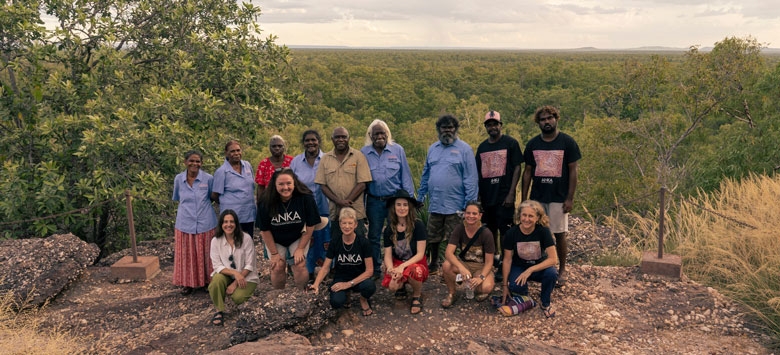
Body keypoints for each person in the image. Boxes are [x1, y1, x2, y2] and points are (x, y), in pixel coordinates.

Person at [521, 105, 581, 287]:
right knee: (536, 233)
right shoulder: (533, 144)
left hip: (558, 197)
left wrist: (569, 198)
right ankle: (537, 268)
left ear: (556, 119)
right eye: (542, 119)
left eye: (549, 118)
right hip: (538, 197)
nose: (546, 122)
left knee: (559, 234)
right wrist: (525, 200)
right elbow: (528, 172)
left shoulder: (567, 142)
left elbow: (573, 171)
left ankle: (562, 270)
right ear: (538, 123)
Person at [417, 114, 478, 274]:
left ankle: (453, 267)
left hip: (456, 204)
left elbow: (471, 178)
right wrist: (420, 196)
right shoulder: (432, 149)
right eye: (444, 128)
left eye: (450, 128)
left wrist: (469, 205)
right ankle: (434, 263)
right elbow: (425, 174)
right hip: (436, 202)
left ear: (456, 129)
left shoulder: (465, 149)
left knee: (455, 238)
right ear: (438, 130)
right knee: (433, 236)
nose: (447, 131)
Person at [360, 119, 415, 279]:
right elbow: (361, 180)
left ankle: (401, 266)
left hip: (394, 201)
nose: (379, 136)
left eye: (382, 133)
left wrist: (409, 201)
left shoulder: (397, 150)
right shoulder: (364, 152)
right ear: (371, 135)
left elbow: (405, 176)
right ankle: (376, 269)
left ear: (387, 134)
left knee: (399, 233)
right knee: (374, 236)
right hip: (374, 201)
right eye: (376, 133)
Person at [475, 110, 523, 281]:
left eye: (495, 124)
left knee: (505, 231)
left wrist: (512, 193)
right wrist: (479, 197)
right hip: (488, 197)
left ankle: (505, 261)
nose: (493, 127)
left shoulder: (510, 143)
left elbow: (518, 167)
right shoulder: (482, 147)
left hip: (504, 196)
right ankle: (493, 258)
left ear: (500, 125)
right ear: (486, 127)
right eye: (489, 124)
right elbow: (478, 173)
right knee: (489, 229)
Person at [257, 169, 323, 289]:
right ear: (274, 185)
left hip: (298, 235)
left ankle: (302, 294)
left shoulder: (305, 198)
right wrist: (274, 253)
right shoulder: (265, 201)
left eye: (288, 183)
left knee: (299, 263)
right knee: (277, 266)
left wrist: (300, 248)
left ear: (294, 183)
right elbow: (264, 229)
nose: (285, 187)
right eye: (281, 184)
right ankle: (279, 294)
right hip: (275, 238)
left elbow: (310, 225)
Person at [310, 207, 376, 316]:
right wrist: (316, 284)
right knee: (336, 302)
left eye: (350, 223)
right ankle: (347, 295)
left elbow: (369, 271)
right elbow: (326, 267)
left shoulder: (363, 242)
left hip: (359, 278)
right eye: (344, 223)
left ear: (355, 224)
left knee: (370, 286)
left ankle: (363, 299)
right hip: (341, 277)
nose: (347, 226)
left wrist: (348, 284)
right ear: (340, 224)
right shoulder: (335, 241)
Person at [501, 200, 559, 318]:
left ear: (537, 218)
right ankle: (525, 298)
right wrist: (505, 286)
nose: (527, 219)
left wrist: (530, 269)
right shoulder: (511, 233)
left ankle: (545, 302)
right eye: (524, 215)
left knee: (552, 273)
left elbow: (553, 259)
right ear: (519, 216)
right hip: (520, 266)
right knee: (515, 286)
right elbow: (507, 260)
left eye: (531, 216)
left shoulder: (543, 232)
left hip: (538, 266)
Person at [172, 150, 217, 295]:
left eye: (198, 161)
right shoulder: (179, 179)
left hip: (206, 222)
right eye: (191, 160)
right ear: (185, 162)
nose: (194, 164)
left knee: (206, 254)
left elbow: (212, 197)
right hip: (185, 223)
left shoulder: (208, 179)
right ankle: (188, 284)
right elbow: (177, 197)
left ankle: (206, 282)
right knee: (187, 255)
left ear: (201, 163)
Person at [315, 127, 372, 241]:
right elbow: (322, 185)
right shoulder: (325, 159)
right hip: (335, 214)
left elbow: (362, 184)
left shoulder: (358, 156)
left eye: (343, 137)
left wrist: (344, 204)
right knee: (337, 245)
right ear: (332, 139)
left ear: (348, 138)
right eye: (337, 137)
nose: (341, 139)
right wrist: (338, 202)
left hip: (356, 212)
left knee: (359, 244)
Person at [290, 130, 332, 277]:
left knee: (325, 238)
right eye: (307, 140)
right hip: (304, 208)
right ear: (303, 143)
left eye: (313, 140)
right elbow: (291, 184)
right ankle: (308, 271)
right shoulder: (296, 162)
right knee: (308, 238)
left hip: (325, 206)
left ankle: (327, 269)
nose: (310, 143)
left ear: (319, 141)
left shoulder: (328, 159)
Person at [208, 210, 258, 326]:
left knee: (238, 298)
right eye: (225, 222)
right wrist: (235, 274)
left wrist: (235, 282)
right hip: (228, 275)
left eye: (231, 222)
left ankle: (247, 293)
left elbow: (250, 264)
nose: (228, 225)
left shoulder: (246, 238)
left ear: (236, 224)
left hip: (247, 276)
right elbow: (217, 265)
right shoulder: (215, 241)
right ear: (221, 224)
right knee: (216, 281)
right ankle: (219, 310)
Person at [441, 201, 496, 308]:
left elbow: (489, 262)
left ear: (480, 216)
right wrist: (461, 268)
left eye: (474, 214)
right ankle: (452, 293)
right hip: (464, 263)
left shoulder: (486, 233)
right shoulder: (460, 228)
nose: (471, 216)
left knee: (486, 287)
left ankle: (473, 286)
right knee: (446, 265)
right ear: (464, 214)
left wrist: (481, 277)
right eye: (468, 213)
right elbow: (448, 252)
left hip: (481, 266)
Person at [382, 190, 428, 315]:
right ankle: (401, 286)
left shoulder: (418, 225)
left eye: (405, 204)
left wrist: (402, 267)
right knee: (392, 287)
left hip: (415, 262)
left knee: (415, 271)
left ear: (410, 207)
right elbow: (387, 254)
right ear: (394, 207)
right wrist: (391, 268)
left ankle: (417, 295)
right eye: (398, 204)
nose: (402, 208)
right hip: (398, 262)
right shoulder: (389, 228)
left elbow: (420, 254)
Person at [212, 140, 257, 237]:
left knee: (248, 243)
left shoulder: (247, 166)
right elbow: (215, 195)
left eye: (238, 150)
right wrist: (229, 203)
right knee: (233, 245)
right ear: (226, 153)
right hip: (231, 218)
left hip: (248, 214)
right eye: (232, 151)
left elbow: (251, 186)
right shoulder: (222, 172)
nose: (236, 153)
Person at [255, 135, 293, 201]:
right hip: (270, 201)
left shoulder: (292, 161)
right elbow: (261, 187)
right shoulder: (263, 164)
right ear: (270, 148)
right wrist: (260, 204)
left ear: (284, 147)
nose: (277, 148)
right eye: (274, 146)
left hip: (290, 199)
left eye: (280, 146)